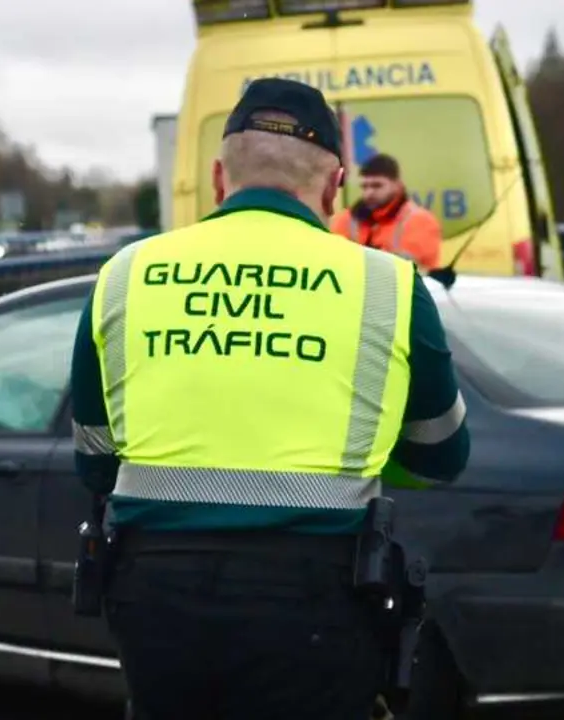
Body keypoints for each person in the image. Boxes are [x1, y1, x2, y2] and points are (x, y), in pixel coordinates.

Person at [69, 77, 470, 720]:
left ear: (219, 178)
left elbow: (93, 457)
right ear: (335, 185)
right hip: (316, 596)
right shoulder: (388, 284)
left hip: (155, 596)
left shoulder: (126, 273)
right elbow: (442, 454)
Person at [330, 154, 443, 272]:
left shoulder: (421, 221)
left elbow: (417, 272)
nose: (369, 193)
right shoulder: (345, 220)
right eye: (364, 187)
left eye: (377, 186)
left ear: (397, 185)